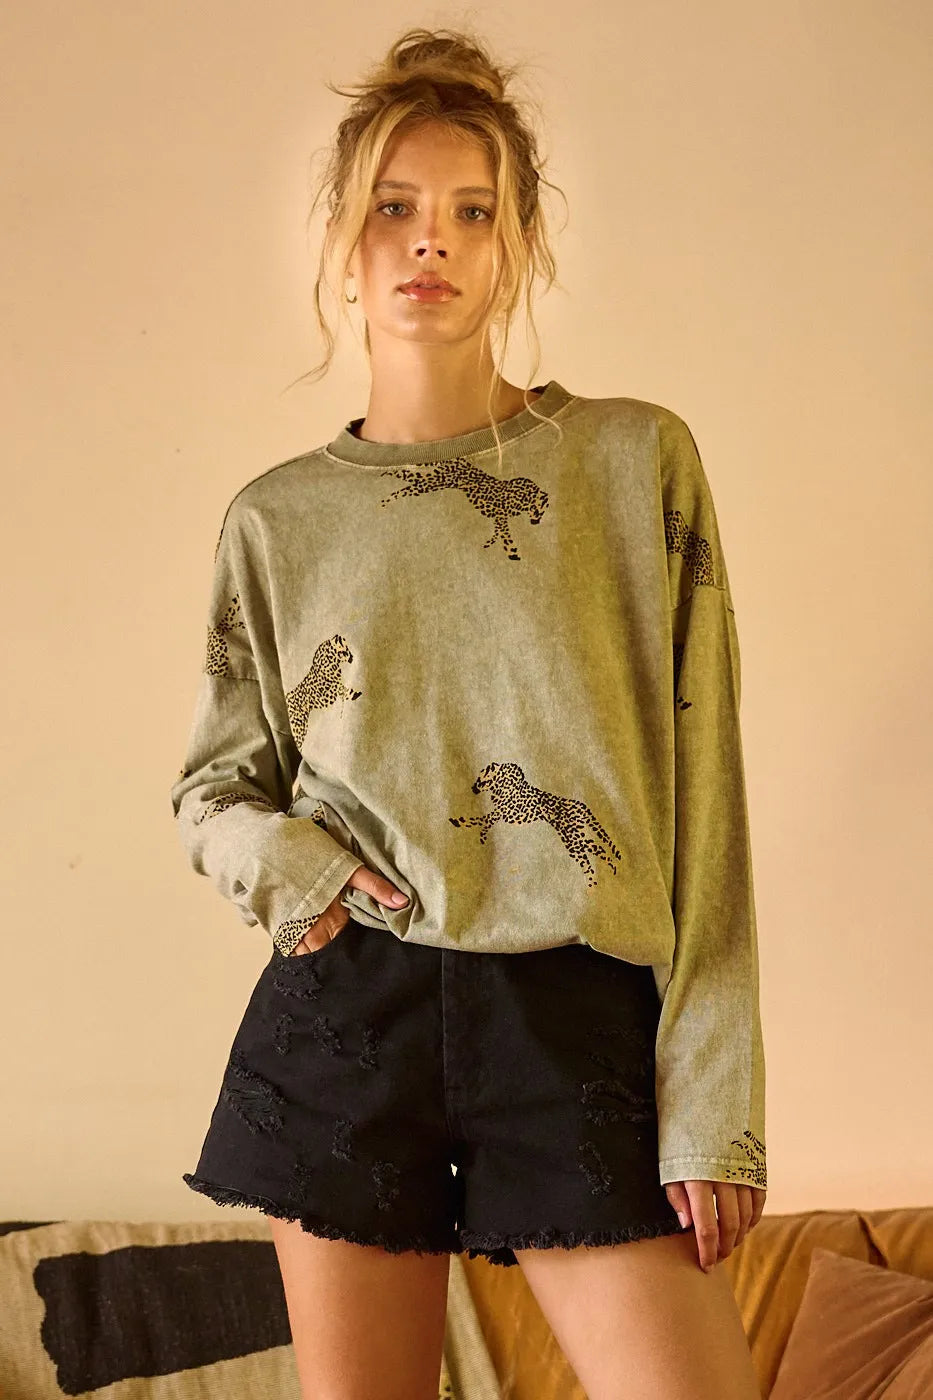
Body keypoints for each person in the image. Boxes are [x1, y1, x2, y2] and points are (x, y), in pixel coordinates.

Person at [170, 25, 766, 1400]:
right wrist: (303, 871)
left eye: (470, 212)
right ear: (343, 242)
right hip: (348, 1016)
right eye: (393, 207)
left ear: (519, 245)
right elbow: (215, 788)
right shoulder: (277, 520)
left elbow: (709, 798)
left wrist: (715, 1105)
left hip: (573, 1011)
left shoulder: (632, 461)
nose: (428, 240)